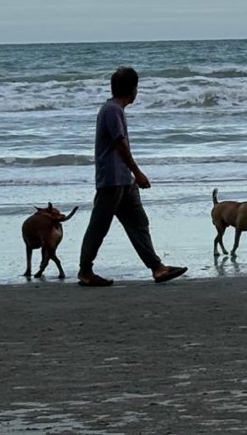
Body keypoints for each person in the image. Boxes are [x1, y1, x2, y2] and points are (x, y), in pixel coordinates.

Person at [77, 66, 187, 287]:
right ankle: (85, 271)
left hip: (124, 179)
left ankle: (157, 268)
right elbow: (119, 144)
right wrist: (138, 172)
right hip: (112, 179)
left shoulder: (115, 109)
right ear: (132, 90)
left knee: (138, 223)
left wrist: (131, 175)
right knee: (99, 225)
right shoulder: (112, 110)